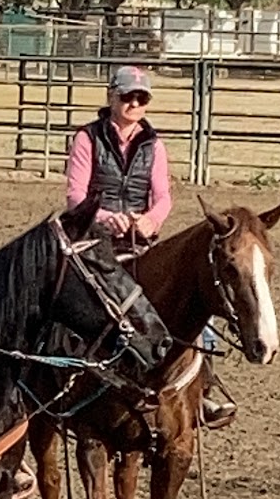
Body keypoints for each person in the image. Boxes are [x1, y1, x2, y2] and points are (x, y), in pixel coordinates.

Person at [65, 63, 235, 427]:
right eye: (128, 96)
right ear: (112, 96)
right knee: (75, 305)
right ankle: (65, 379)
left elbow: (163, 197)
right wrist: (109, 217)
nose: (134, 103)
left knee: (191, 300)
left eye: (141, 98)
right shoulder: (87, 138)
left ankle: (204, 389)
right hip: (95, 243)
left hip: (143, 243)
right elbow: (76, 196)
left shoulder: (153, 146)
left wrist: (151, 220)